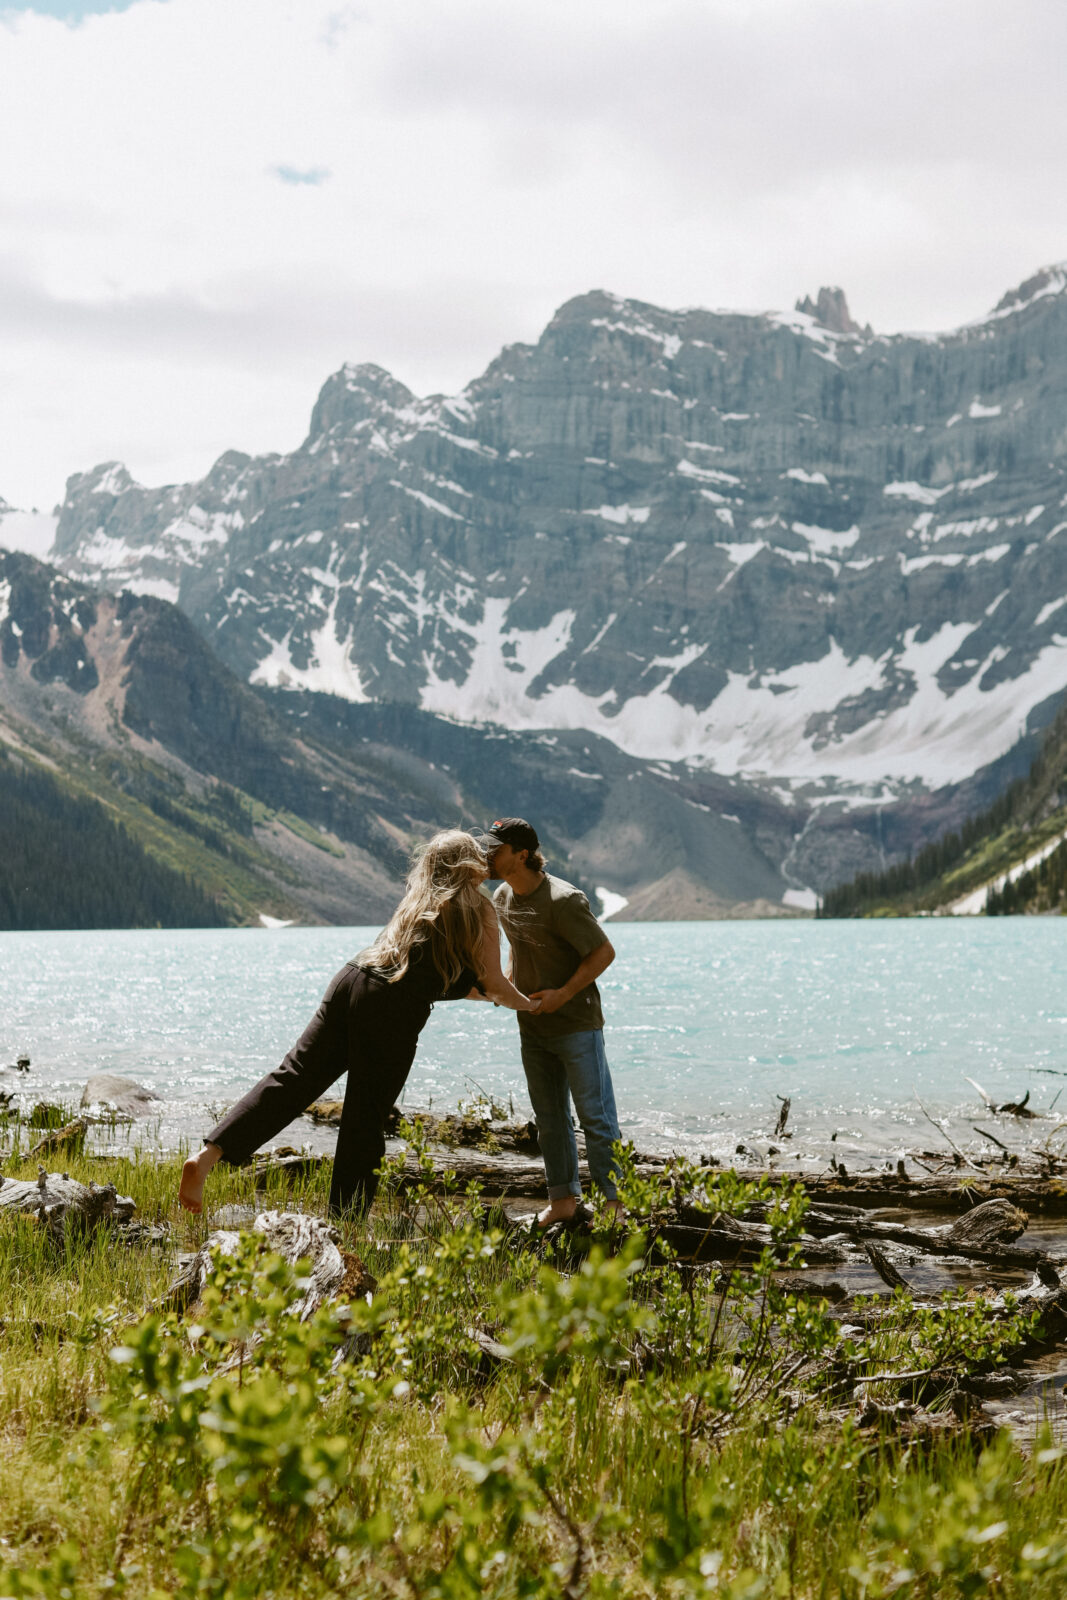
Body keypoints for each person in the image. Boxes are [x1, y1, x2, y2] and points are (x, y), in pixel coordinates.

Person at [178, 829, 540, 1217]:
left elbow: (448, 979)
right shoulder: (477, 906)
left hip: (352, 979)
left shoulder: (418, 900)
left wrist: (493, 993)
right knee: (365, 1119)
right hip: (390, 1008)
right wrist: (533, 1006)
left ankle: (208, 1155)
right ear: (469, 865)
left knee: (293, 1078)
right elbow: (494, 984)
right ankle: (345, 1225)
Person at [484, 817, 623, 1228]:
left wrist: (562, 994)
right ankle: (563, 1202)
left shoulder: (564, 900)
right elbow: (517, 951)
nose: (488, 856)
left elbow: (603, 953)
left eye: (497, 849)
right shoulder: (502, 897)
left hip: (577, 1025)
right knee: (549, 1121)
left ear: (522, 855)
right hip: (533, 1029)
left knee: (595, 1117)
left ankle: (613, 1207)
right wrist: (507, 988)